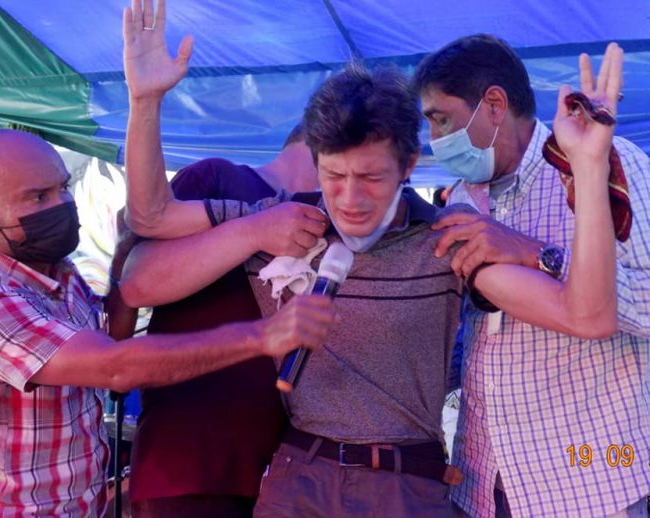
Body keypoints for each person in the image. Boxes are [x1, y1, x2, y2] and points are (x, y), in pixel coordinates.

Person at [120, 2, 619, 513]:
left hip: (405, 486)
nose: (351, 200)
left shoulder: (446, 239)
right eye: (334, 177)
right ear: (314, 164)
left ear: (407, 166)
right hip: (297, 477)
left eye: (372, 178)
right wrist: (145, 100)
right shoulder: (282, 223)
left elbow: (589, 316)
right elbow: (152, 217)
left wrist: (590, 168)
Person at [0, 128, 336, 516]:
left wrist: (129, 249)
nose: (60, 204)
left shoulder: (60, 272)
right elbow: (115, 366)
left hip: (79, 505)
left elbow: (111, 334)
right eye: (38, 197)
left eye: (63, 187)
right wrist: (261, 336)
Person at [413, 35, 649, 516]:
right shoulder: (460, 199)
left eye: (442, 119)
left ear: (494, 105)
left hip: (592, 482)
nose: (435, 140)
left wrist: (538, 254)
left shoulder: (605, 165)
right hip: (482, 484)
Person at [122, 125, 319, 518]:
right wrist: (256, 230)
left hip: (293, 477)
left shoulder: (343, 220)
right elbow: (137, 284)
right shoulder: (218, 178)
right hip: (193, 469)